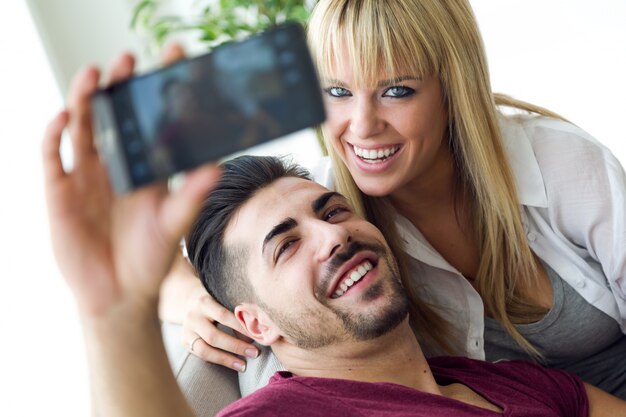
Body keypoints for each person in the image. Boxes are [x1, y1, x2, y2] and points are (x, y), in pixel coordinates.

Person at [42, 98, 625, 416]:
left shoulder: (513, 384)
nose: (331, 236)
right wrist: (115, 315)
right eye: (287, 245)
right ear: (255, 323)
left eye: (333, 211)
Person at [162, 0, 626, 400]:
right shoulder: (325, 212)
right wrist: (192, 297)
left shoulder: (559, 164)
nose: (361, 126)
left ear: (453, 90)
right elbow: (166, 257)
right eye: (338, 92)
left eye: (396, 91)